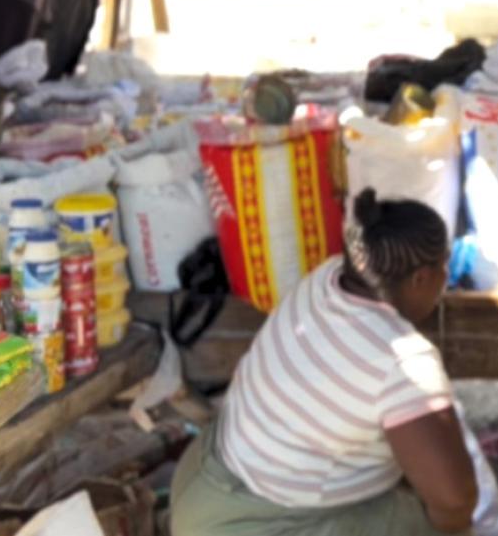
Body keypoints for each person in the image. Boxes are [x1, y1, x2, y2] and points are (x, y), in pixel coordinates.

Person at [170, 189, 476, 536]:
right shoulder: (402, 362)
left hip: (205, 479)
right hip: (252, 526)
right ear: (421, 278)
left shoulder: (326, 278)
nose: (446, 277)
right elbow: (454, 500)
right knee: (424, 518)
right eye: (444, 266)